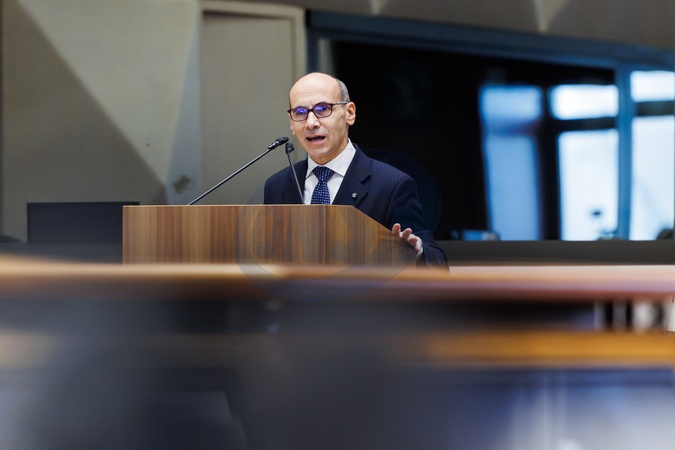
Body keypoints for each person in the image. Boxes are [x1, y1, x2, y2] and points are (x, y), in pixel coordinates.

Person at [264, 72, 447, 267]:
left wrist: (416, 252)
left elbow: (437, 263)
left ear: (349, 113)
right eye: (300, 112)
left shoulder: (393, 185)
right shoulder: (277, 186)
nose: (311, 123)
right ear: (291, 123)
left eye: (323, 109)